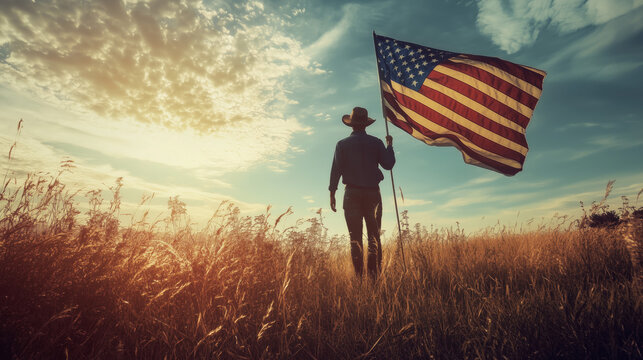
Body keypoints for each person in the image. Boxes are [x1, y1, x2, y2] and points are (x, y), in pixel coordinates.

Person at [329, 107, 395, 280]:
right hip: (373, 194)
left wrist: (332, 193)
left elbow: (336, 170)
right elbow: (388, 164)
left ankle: (359, 280)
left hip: (351, 194)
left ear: (351, 125)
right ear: (366, 124)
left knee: (355, 239)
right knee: (374, 238)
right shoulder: (376, 142)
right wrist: (389, 146)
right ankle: (374, 278)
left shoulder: (342, 144)